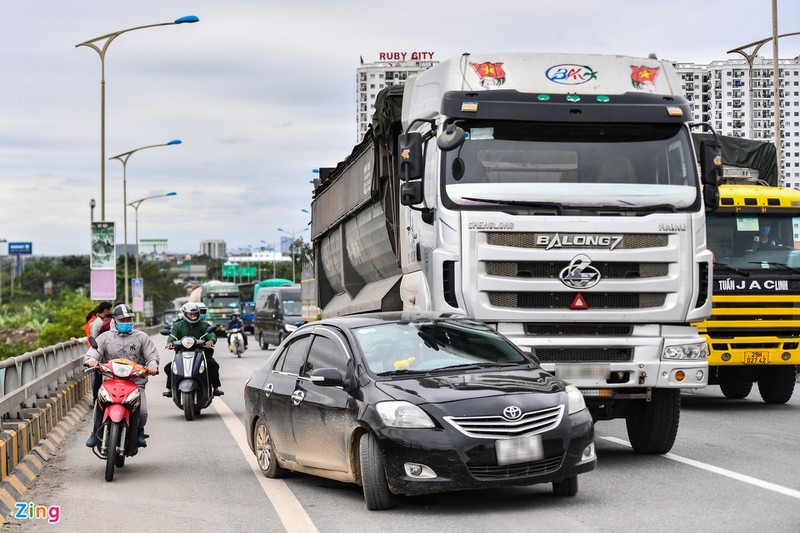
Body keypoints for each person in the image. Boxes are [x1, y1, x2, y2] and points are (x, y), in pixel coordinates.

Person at [84, 304, 159, 448]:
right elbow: (93, 353)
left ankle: (139, 432)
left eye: (129, 319)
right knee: (99, 406)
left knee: (142, 412)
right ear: (114, 320)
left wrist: (153, 365)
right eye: (122, 320)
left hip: (135, 381)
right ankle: (95, 431)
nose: (126, 322)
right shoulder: (104, 338)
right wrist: (91, 360)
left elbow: (151, 356)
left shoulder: (141, 337)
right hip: (110, 380)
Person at [163, 302, 223, 397]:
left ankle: (215, 388)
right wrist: (170, 343)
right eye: (191, 314)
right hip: (182, 354)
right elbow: (172, 336)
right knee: (168, 368)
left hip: (201, 353)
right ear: (185, 314)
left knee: (213, 365)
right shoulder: (178, 326)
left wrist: (210, 341)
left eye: (195, 314)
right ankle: (170, 389)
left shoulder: (204, 325)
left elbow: (211, 335)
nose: (193, 316)